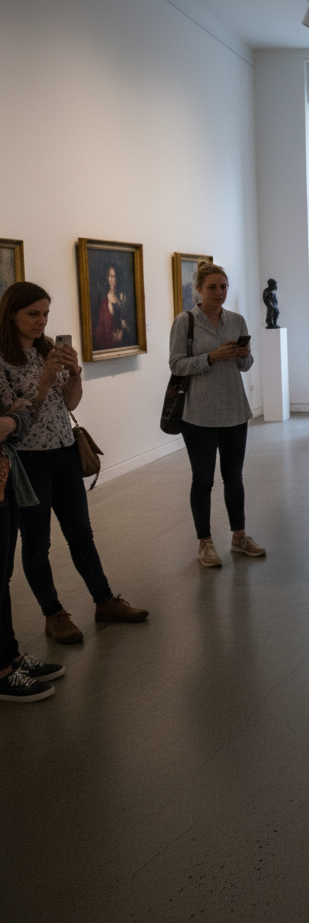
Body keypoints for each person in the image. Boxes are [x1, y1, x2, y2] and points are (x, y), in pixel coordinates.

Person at [0, 282, 148, 643]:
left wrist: (76, 374)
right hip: (27, 461)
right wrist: (43, 382)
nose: (41, 321)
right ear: (11, 315)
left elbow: (70, 403)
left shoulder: (48, 349)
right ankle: (53, 614)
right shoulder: (3, 361)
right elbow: (12, 420)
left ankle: (104, 600)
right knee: (37, 542)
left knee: (81, 532)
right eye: (33, 314)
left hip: (64, 451)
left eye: (46, 314)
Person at [169, 261, 263, 568]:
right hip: (198, 414)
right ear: (198, 289)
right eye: (212, 287)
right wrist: (211, 357)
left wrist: (243, 355)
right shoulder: (185, 321)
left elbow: (245, 366)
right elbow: (176, 364)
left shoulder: (236, 320)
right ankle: (205, 542)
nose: (219, 292)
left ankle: (239, 536)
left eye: (223, 287)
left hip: (234, 410)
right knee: (203, 479)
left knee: (234, 477)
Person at [0, 400, 64, 701]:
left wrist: (12, 420)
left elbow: (19, 423)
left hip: (5, 477)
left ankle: (10, 656)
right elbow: (17, 422)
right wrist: (14, 418)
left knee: (3, 578)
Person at [94, 265, 130, 349]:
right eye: (111, 276)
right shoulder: (104, 302)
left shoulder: (122, 297)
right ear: (107, 277)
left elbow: (127, 323)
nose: (113, 279)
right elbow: (103, 329)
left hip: (123, 343)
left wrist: (123, 330)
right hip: (111, 343)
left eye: (115, 276)